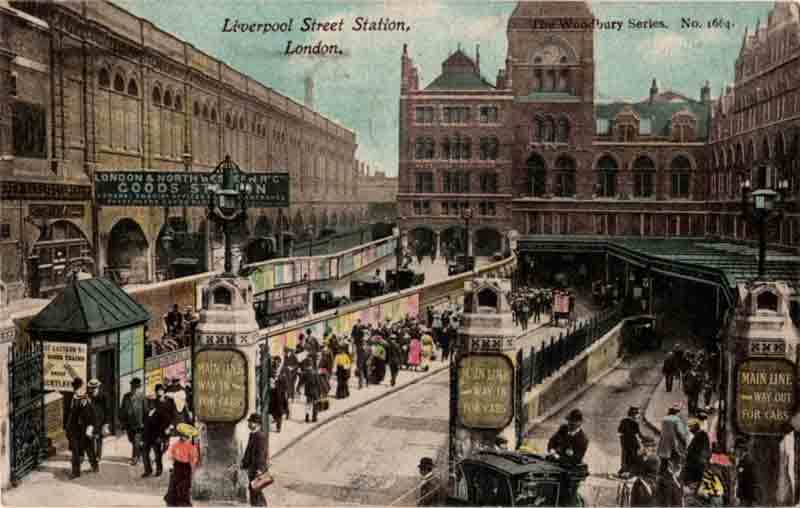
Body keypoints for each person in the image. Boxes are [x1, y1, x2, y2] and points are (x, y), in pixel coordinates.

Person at [142, 384, 177, 478]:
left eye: (161, 390)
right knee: (146, 451)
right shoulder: (153, 402)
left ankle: (159, 469)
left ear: (164, 391)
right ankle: (148, 470)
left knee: (160, 451)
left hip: (164, 430)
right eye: (157, 390)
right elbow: (148, 415)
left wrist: (170, 426)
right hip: (152, 430)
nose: (159, 392)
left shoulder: (170, 401)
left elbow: (175, 416)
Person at [66, 377, 98, 479]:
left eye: (76, 386)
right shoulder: (72, 397)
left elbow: (91, 415)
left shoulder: (84, 398)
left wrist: (91, 427)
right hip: (74, 429)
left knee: (89, 449)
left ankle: (94, 465)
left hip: (84, 429)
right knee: (75, 451)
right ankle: (76, 472)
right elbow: (70, 414)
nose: (76, 389)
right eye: (75, 387)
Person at [164, 423, 200, 507]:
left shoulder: (190, 446)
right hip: (178, 465)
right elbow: (171, 455)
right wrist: (171, 464)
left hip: (185, 466)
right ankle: (173, 500)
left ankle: (182, 500)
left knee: (184, 484)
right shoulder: (176, 444)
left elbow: (194, 457)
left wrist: (193, 464)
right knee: (175, 482)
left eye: (186, 436)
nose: (184, 438)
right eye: (183, 436)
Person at [241, 414, 268, 506]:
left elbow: (261, 454)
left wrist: (259, 470)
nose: (249, 424)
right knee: (254, 490)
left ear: (258, 424)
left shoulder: (260, 436)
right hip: (252, 468)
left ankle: (261, 505)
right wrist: (244, 463)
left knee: (255, 490)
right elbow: (248, 451)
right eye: (249, 422)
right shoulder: (253, 434)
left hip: (257, 469)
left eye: (252, 422)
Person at [657, 403, 689, 476]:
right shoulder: (676, 419)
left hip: (663, 441)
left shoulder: (664, 418)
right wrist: (684, 441)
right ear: (676, 412)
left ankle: (662, 473)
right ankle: (675, 473)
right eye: (678, 412)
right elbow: (680, 432)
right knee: (677, 457)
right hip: (672, 442)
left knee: (664, 459)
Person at [120, 377, 146, 466]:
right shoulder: (126, 396)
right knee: (131, 440)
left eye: (136, 387)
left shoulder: (142, 397)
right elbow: (122, 410)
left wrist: (145, 423)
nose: (134, 389)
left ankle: (135, 458)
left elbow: (145, 410)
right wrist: (122, 423)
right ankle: (141, 453)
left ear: (138, 388)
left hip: (139, 424)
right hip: (129, 424)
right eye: (133, 387)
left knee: (136, 440)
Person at [683, 415, 711, 485]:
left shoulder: (702, 435)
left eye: (691, 427)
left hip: (696, 466)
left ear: (696, 426)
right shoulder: (699, 435)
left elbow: (701, 453)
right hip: (696, 465)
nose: (689, 429)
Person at [618, 406, 644, 475]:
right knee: (633, 457)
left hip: (624, 442)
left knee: (625, 456)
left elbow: (619, 432)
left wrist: (622, 440)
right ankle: (631, 471)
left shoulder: (623, 421)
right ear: (634, 414)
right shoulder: (635, 423)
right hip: (633, 443)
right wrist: (641, 443)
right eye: (638, 414)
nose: (638, 416)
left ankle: (623, 470)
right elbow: (638, 435)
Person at [735, 437, 760, 506]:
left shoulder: (747, 462)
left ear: (741, 450)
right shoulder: (743, 461)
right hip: (745, 496)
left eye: (736, 449)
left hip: (748, 497)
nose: (735, 452)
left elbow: (752, 480)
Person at [87, 378, 107, 461]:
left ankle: (98, 456)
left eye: (95, 387)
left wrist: (106, 423)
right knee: (91, 439)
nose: (93, 389)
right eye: (92, 387)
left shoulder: (103, 396)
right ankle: (92, 456)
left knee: (99, 439)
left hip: (100, 421)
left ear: (98, 387)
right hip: (90, 421)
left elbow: (107, 409)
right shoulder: (87, 396)